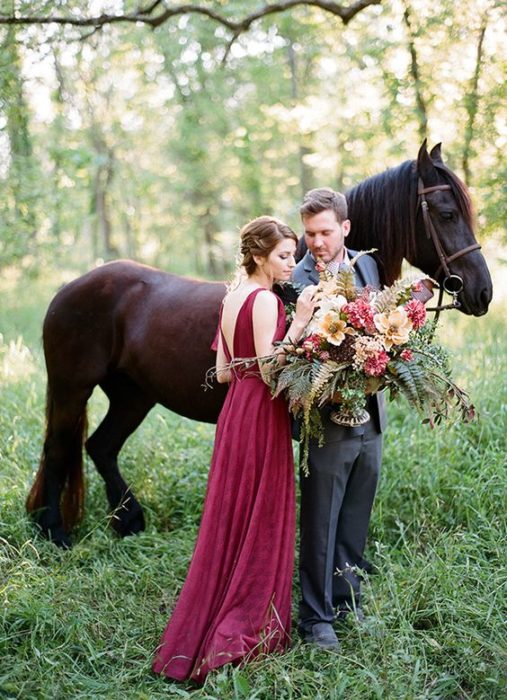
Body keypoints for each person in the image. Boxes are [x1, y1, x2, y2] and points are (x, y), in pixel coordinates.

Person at [152, 216, 316, 683]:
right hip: (261, 413)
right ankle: (247, 619)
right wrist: (300, 322)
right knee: (261, 511)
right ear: (260, 257)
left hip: (235, 412)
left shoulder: (231, 297)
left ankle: (220, 601)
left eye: (293, 254)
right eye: (284, 255)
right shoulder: (264, 299)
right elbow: (268, 370)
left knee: (234, 512)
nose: (292, 263)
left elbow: (225, 372)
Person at [292, 188, 387, 650]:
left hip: (371, 417)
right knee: (320, 519)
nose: (316, 242)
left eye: (325, 232)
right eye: (309, 234)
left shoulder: (367, 265)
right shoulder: (297, 280)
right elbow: (295, 360)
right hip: (326, 423)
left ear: (345, 229)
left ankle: (347, 602)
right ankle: (315, 618)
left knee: (354, 515)